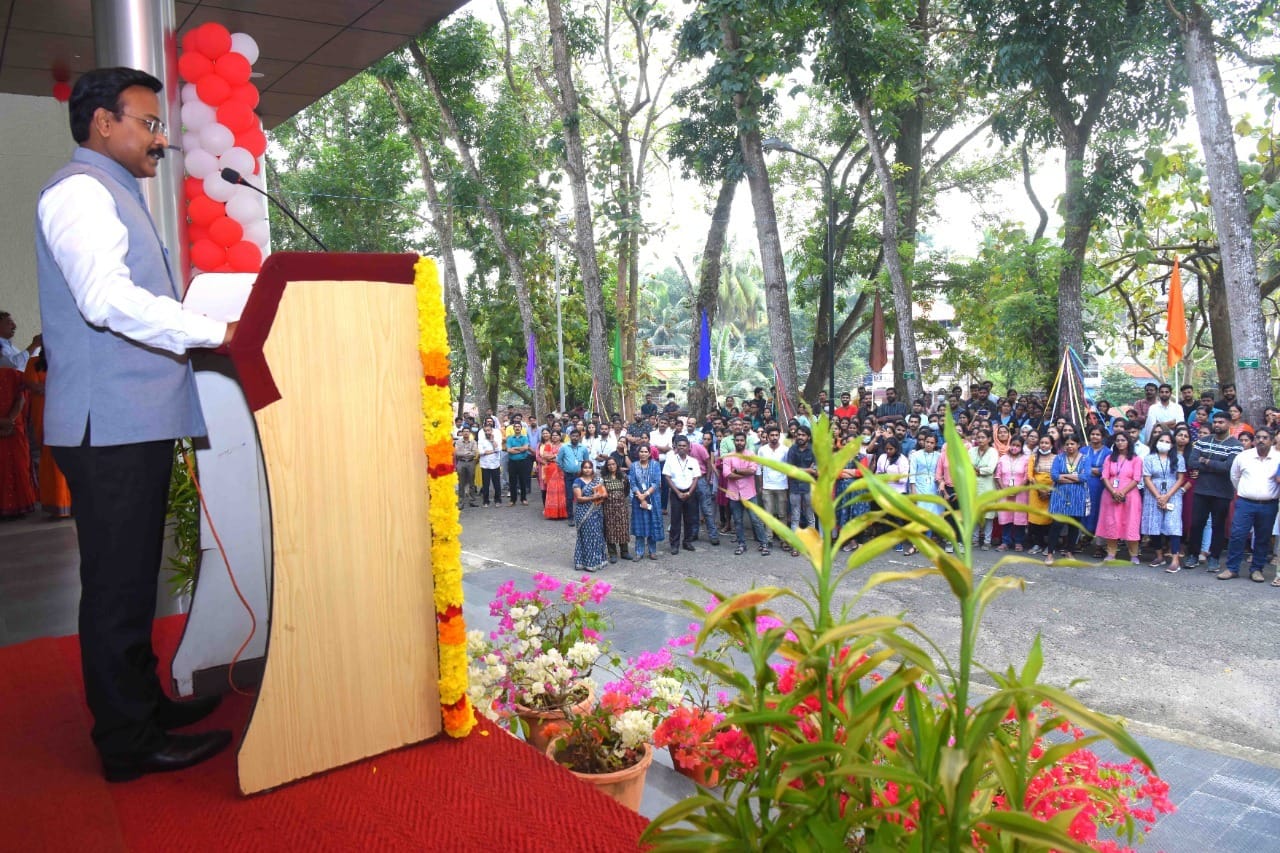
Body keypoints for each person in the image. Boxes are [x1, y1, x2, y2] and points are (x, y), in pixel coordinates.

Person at [37, 67, 235, 780]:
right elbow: (105, 299)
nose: (161, 138)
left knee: (131, 580)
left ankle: (142, 703)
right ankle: (127, 741)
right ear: (101, 123)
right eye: (148, 123)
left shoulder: (113, 191)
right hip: (109, 427)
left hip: (129, 424)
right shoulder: (81, 192)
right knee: (119, 589)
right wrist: (215, 329)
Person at [1217, 427, 1280, 582]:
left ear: (1272, 440)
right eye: (1258, 437)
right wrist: (1245, 492)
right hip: (1245, 503)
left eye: (1265, 438)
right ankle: (1232, 568)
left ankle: (1257, 569)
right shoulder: (1244, 457)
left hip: (1269, 504)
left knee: (1262, 538)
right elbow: (1234, 477)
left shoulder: (1278, 458)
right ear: (1254, 440)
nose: (1261, 440)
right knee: (1237, 535)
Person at [1184, 412, 1243, 570]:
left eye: (1221, 422)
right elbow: (1192, 462)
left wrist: (1206, 460)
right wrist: (1214, 463)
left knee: (1218, 526)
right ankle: (1193, 556)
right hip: (1201, 490)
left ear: (1229, 424)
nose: (1217, 425)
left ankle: (1214, 558)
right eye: (1215, 422)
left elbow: (1228, 467)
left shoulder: (1236, 445)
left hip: (1222, 492)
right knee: (1196, 524)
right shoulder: (1203, 441)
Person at [24, 351, 72, 518]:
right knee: (51, 458)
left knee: (69, 457)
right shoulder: (34, 363)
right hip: (44, 415)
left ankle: (70, 503)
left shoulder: (65, 359)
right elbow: (35, 387)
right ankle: (57, 503)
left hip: (67, 414)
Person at [1141, 431, 1187, 572]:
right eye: (1162, 441)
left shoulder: (1178, 458)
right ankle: (1159, 556)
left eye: (1168, 442)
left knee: (1173, 526)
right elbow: (1147, 478)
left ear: (1172, 444)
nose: (1164, 444)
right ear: (1156, 442)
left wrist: (1167, 496)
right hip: (1153, 493)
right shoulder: (1149, 458)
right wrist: (1158, 496)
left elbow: (1181, 478)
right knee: (1153, 524)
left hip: (1173, 494)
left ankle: (1175, 559)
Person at [1095, 432, 1143, 564]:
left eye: (1123, 440)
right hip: (1110, 495)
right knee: (1112, 522)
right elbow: (1104, 476)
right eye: (1118, 440)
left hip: (1130, 496)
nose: (1120, 442)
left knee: (1131, 523)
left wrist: (1122, 492)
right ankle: (1111, 553)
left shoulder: (1136, 459)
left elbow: (1137, 478)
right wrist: (1113, 492)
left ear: (1129, 442)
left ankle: (1133, 554)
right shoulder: (1109, 458)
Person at [722, 432, 768, 556]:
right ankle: (741, 544)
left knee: (755, 520)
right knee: (737, 520)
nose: (739, 443)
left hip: (749, 493)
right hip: (734, 493)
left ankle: (764, 543)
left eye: (742, 440)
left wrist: (736, 471)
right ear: (734, 441)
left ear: (745, 441)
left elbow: (752, 470)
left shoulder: (751, 455)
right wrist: (743, 474)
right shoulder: (728, 456)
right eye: (737, 440)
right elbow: (726, 474)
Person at [1044, 436, 1088, 564]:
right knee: (1056, 524)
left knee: (1074, 525)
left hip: (1078, 495)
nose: (1069, 446)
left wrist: (1065, 476)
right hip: (1060, 494)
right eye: (1067, 444)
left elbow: (1084, 477)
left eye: (1072, 443)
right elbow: (1054, 476)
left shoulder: (1084, 459)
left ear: (1078, 445)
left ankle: (1070, 552)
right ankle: (1050, 553)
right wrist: (1074, 477)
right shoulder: (1058, 458)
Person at [0, 367, 37, 518]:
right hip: (8, 426)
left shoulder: (12, 374)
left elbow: (21, 397)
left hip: (15, 427)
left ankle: (20, 506)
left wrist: (11, 420)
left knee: (19, 464)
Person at [663, 436, 701, 554]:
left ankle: (687, 542)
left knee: (690, 519)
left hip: (690, 493)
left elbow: (696, 478)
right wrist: (678, 492)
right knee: (675, 519)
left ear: (688, 447)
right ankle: (674, 545)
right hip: (676, 493)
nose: (682, 448)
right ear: (676, 447)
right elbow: (667, 477)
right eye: (679, 446)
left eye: (684, 446)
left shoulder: (693, 461)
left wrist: (689, 492)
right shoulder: (671, 460)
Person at [907, 431, 943, 556]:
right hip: (919, 486)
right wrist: (913, 490)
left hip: (933, 487)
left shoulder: (939, 455)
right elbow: (912, 473)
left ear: (935, 444)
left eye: (932, 443)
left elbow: (941, 472)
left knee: (930, 515)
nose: (928, 444)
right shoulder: (916, 455)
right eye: (927, 442)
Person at [784, 425, 817, 554]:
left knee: (810, 517)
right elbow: (790, 471)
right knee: (795, 518)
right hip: (795, 488)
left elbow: (816, 471)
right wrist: (807, 470)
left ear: (808, 437)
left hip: (809, 488)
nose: (800, 437)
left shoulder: (813, 450)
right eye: (798, 434)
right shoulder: (792, 450)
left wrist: (800, 470)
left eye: (803, 435)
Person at [571, 461, 608, 573]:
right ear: (582, 469)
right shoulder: (577, 481)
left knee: (597, 536)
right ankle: (584, 562)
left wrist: (601, 494)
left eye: (589, 467)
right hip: (583, 514)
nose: (587, 470)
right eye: (585, 468)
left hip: (596, 512)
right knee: (585, 537)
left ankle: (597, 561)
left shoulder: (597, 481)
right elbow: (579, 498)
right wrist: (593, 497)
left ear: (593, 469)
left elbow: (605, 494)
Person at [628, 444, 663, 560]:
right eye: (641, 452)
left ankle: (652, 551)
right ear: (638, 454)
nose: (643, 454)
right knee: (639, 525)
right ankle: (639, 552)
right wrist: (640, 496)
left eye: (645, 452)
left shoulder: (655, 465)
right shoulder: (633, 466)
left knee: (652, 523)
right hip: (638, 500)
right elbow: (632, 483)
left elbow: (656, 482)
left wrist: (646, 494)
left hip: (652, 499)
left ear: (649, 453)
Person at [994, 435, 1029, 551]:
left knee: (1019, 516)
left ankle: (1018, 542)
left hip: (1020, 493)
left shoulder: (1026, 459)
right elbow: (998, 475)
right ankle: (1005, 542)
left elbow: (1026, 476)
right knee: (1006, 516)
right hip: (1005, 491)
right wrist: (1005, 489)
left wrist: (1017, 489)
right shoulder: (1003, 458)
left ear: (1022, 447)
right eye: (1013, 445)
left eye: (1018, 445)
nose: (1015, 447)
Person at [1025, 434, 1056, 555]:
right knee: (1035, 518)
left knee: (1048, 518)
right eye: (1042, 443)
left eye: (1046, 443)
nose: (1044, 445)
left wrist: (1048, 491)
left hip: (1051, 491)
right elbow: (1030, 475)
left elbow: (1057, 475)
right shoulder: (1033, 457)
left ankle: (1048, 545)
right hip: (1035, 491)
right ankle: (1037, 543)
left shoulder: (1056, 458)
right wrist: (1039, 490)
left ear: (1051, 445)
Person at [969, 429, 998, 549]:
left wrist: (977, 470)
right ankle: (974, 539)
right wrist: (980, 470)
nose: (980, 440)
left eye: (983, 437)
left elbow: (990, 469)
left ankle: (987, 541)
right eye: (978, 437)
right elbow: (967, 465)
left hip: (988, 486)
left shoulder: (993, 452)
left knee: (988, 516)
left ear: (989, 439)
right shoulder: (971, 450)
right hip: (973, 485)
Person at [557, 428, 591, 524]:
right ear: (570, 437)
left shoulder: (583, 448)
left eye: (577, 436)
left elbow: (586, 461)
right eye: (573, 436)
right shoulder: (564, 447)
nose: (575, 438)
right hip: (568, 476)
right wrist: (565, 469)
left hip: (580, 476)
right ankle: (570, 517)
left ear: (579, 437)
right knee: (569, 496)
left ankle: (583, 515)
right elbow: (559, 461)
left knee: (583, 495)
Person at [601, 456, 631, 563]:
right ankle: (612, 553)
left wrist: (619, 498)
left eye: (613, 464)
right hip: (608, 507)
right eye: (609, 464)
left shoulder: (623, 476)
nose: (611, 466)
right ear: (606, 466)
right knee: (610, 529)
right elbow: (600, 492)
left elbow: (627, 490)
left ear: (617, 465)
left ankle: (624, 552)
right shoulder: (603, 477)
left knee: (623, 528)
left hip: (621, 507)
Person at [538, 429, 567, 519]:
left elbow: (565, 457)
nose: (554, 437)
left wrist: (553, 456)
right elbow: (545, 456)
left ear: (560, 436)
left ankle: (562, 513)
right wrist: (557, 456)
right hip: (550, 469)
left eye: (556, 435)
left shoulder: (564, 446)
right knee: (551, 491)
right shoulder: (548, 445)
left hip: (561, 470)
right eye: (553, 435)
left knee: (561, 491)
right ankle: (552, 513)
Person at [504, 422, 533, 506]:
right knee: (512, 481)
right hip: (512, 462)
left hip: (523, 462)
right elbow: (509, 450)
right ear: (513, 428)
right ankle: (513, 500)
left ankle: (523, 499)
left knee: (522, 480)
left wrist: (515, 448)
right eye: (515, 427)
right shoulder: (510, 438)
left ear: (521, 428)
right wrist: (520, 449)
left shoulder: (524, 438)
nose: (517, 428)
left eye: (518, 427)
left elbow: (526, 448)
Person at [477, 421, 503, 507]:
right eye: (486, 431)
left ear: (491, 431)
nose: (487, 432)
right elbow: (480, 452)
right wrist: (492, 451)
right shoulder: (481, 440)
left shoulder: (495, 439)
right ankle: (485, 501)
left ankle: (498, 500)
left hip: (495, 464)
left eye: (489, 430)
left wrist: (492, 441)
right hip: (485, 465)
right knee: (486, 484)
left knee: (496, 483)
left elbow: (498, 449)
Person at [453, 428, 478, 509]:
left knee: (471, 482)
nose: (466, 433)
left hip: (471, 462)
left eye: (467, 432)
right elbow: (457, 453)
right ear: (462, 433)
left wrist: (463, 453)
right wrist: (467, 453)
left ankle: (472, 501)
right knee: (461, 482)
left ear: (469, 433)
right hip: (461, 462)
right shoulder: (458, 442)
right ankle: (461, 501)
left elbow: (474, 453)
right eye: (464, 432)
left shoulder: (473, 442)